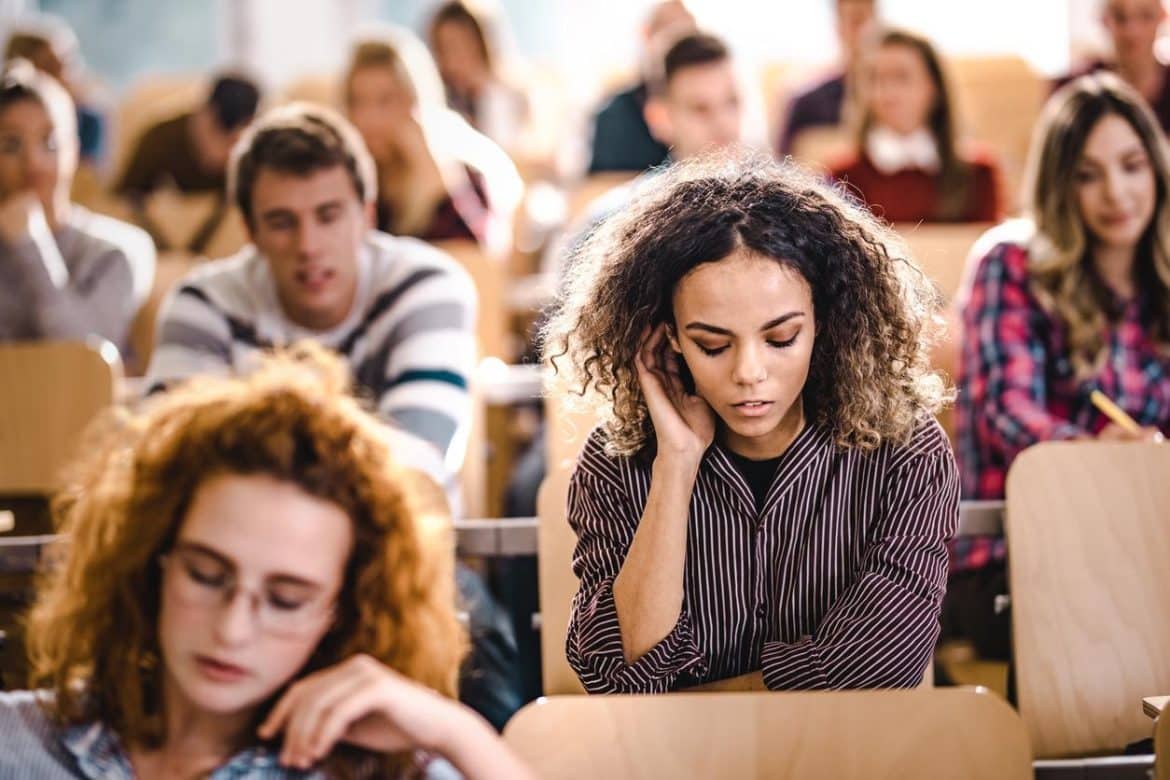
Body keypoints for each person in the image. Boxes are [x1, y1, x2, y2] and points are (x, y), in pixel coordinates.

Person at [144, 101, 524, 730]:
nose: (309, 245)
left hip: (403, 562)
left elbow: (415, 472)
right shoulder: (202, 302)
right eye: (282, 222)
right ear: (249, 229)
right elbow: (171, 470)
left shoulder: (429, 282)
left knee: (484, 667)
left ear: (366, 215)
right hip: (245, 571)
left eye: (328, 215)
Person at [0, 345, 534, 779]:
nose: (231, 630)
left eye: (286, 600)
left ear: (341, 609)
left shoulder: (370, 771)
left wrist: (454, 732)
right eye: (206, 575)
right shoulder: (21, 740)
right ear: (150, 561)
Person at [543, 154, 959, 694]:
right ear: (666, 338)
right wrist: (676, 464)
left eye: (781, 338)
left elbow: (876, 669)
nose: (748, 373)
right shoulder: (616, 461)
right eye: (711, 345)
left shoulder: (908, 452)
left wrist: (693, 707)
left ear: (825, 323)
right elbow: (617, 672)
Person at [951, 72, 1170, 658]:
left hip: (1146, 550)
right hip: (1019, 558)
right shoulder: (1009, 263)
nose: (1117, 193)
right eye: (1087, 176)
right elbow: (1008, 414)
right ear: (1058, 186)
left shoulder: (1163, 281)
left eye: (1132, 165)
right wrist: (1106, 461)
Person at [0, 59, 154, 359]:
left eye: (50, 141)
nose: (34, 162)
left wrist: (30, 246)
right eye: (10, 144)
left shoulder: (117, 250)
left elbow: (82, 360)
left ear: (75, 148)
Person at [343, 28, 521, 256]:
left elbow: (477, 262)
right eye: (357, 102)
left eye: (386, 101)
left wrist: (434, 181)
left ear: (416, 101)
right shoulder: (350, 182)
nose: (369, 118)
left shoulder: (461, 172)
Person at [829, 27, 1001, 224]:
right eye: (875, 78)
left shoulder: (978, 173)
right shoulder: (843, 176)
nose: (887, 92)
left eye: (902, 77)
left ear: (934, 87)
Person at [115, 73, 260, 253]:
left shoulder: (256, 150)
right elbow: (125, 197)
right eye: (214, 135)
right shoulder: (159, 138)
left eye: (232, 142)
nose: (220, 152)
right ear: (203, 113)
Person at [586, 0, 696, 174]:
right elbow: (602, 187)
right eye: (670, 32)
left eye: (690, 36)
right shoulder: (614, 116)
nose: (681, 47)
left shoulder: (715, 107)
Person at [426, 1, 529, 154]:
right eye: (443, 48)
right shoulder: (439, 102)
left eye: (460, 45)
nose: (452, 59)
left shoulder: (516, 93)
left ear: (483, 43)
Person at [776, 0, 876, 157]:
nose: (867, 30)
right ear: (838, 27)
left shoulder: (901, 101)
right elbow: (784, 166)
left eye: (872, 19)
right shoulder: (807, 103)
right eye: (856, 20)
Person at [1055, 0, 1170, 133]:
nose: (1132, 32)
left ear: (1163, 17)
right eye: (1120, 17)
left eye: (1146, 16)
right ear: (1103, 19)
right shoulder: (1073, 89)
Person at [4, 15, 106, 163]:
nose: (63, 77)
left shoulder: (88, 121)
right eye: (50, 67)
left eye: (66, 65)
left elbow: (86, 180)